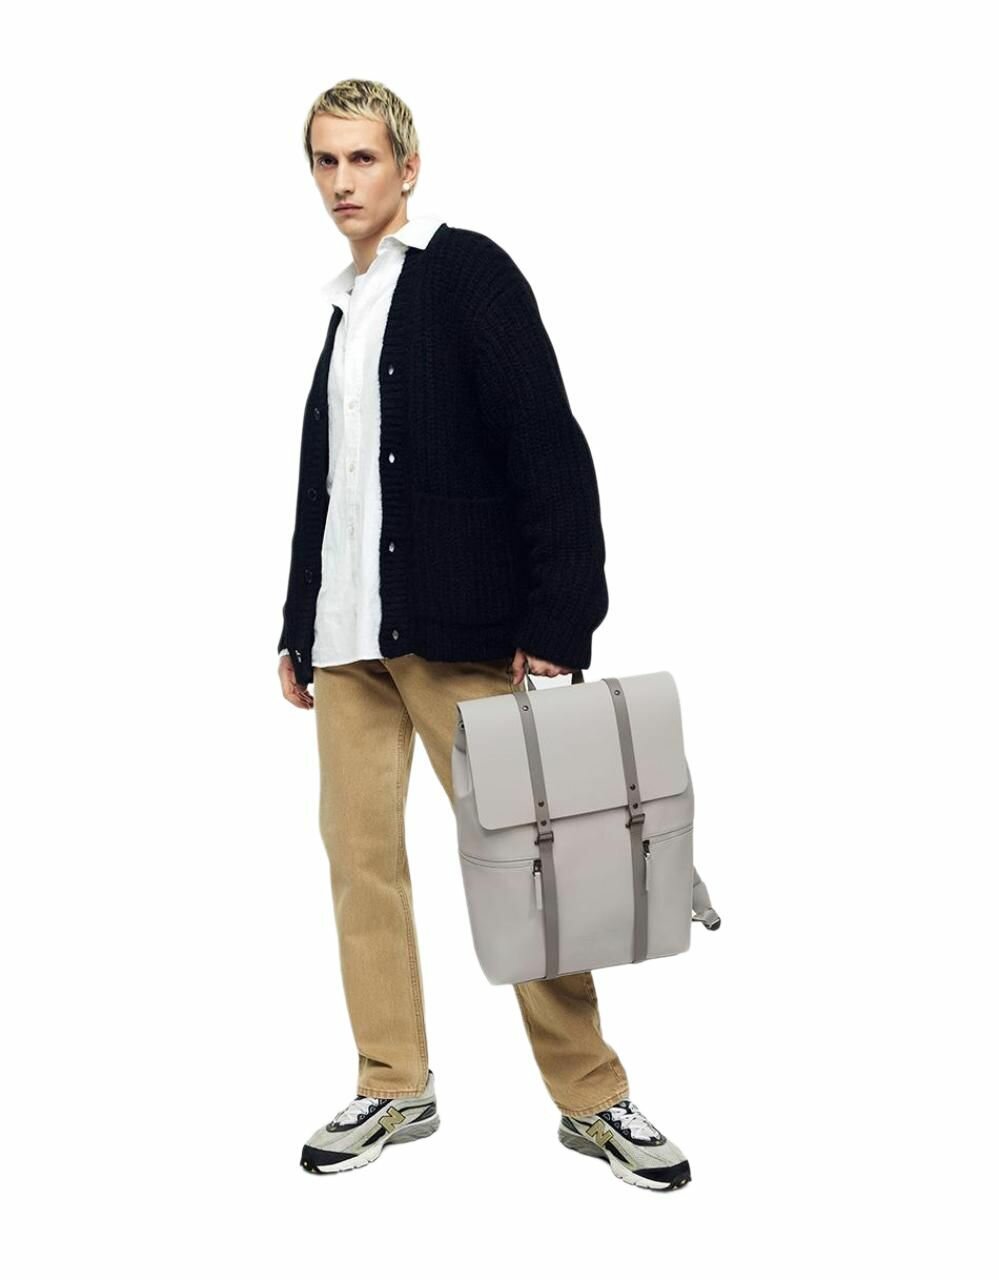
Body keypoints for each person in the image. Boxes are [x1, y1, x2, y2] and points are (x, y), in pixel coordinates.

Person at [277, 78, 691, 1192]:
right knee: (362, 867)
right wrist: (296, 622)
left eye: (362, 159)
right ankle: (392, 1081)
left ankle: (592, 1097)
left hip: (459, 639)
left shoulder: (466, 273)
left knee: (528, 867)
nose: (341, 182)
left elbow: (547, 445)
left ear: (407, 167)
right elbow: (331, 488)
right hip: (347, 645)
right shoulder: (343, 307)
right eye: (324, 161)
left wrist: (560, 616)